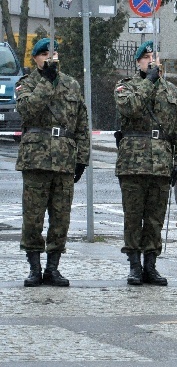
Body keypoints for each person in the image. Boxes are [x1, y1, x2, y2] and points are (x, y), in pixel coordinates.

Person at [16, 38, 90, 287]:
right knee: (33, 217)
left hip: (64, 160)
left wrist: (82, 159)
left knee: (61, 218)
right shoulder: (26, 84)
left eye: (54, 52)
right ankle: (34, 268)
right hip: (35, 159)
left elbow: (81, 124)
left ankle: (53, 268)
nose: (50, 56)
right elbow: (27, 110)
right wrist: (47, 81)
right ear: (35, 58)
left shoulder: (71, 84)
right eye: (44, 53)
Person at [114, 40, 177, 286]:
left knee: (155, 218)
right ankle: (134, 266)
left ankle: (151, 265)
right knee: (133, 217)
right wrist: (149, 81)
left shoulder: (171, 91)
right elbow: (131, 108)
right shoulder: (126, 87)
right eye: (146, 58)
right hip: (133, 163)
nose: (151, 61)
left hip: (161, 163)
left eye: (154, 58)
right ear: (138, 62)